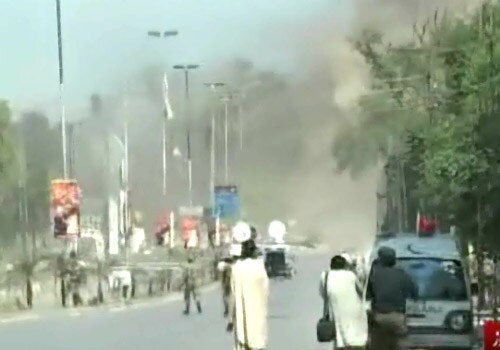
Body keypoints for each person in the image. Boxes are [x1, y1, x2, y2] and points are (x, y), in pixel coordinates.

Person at [367, 246, 418, 350]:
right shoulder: (402, 274)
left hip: (378, 318)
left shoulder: (374, 274)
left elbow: (368, 295)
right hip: (397, 318)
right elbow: (414, 293)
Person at [227, 238, 269, 350]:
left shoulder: (237, 268)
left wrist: (231, 319)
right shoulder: (260, 267)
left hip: (242, 320)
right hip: (258, 317)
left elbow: (233, 296)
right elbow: (266, 291)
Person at [319, 255, 368, 350]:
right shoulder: (351, 275)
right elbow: (361, 292)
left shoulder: (325, 275)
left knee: (340, 339)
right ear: (345, 265)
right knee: (356, 339)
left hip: (336, 311)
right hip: (354, 312)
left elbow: (323, 294)